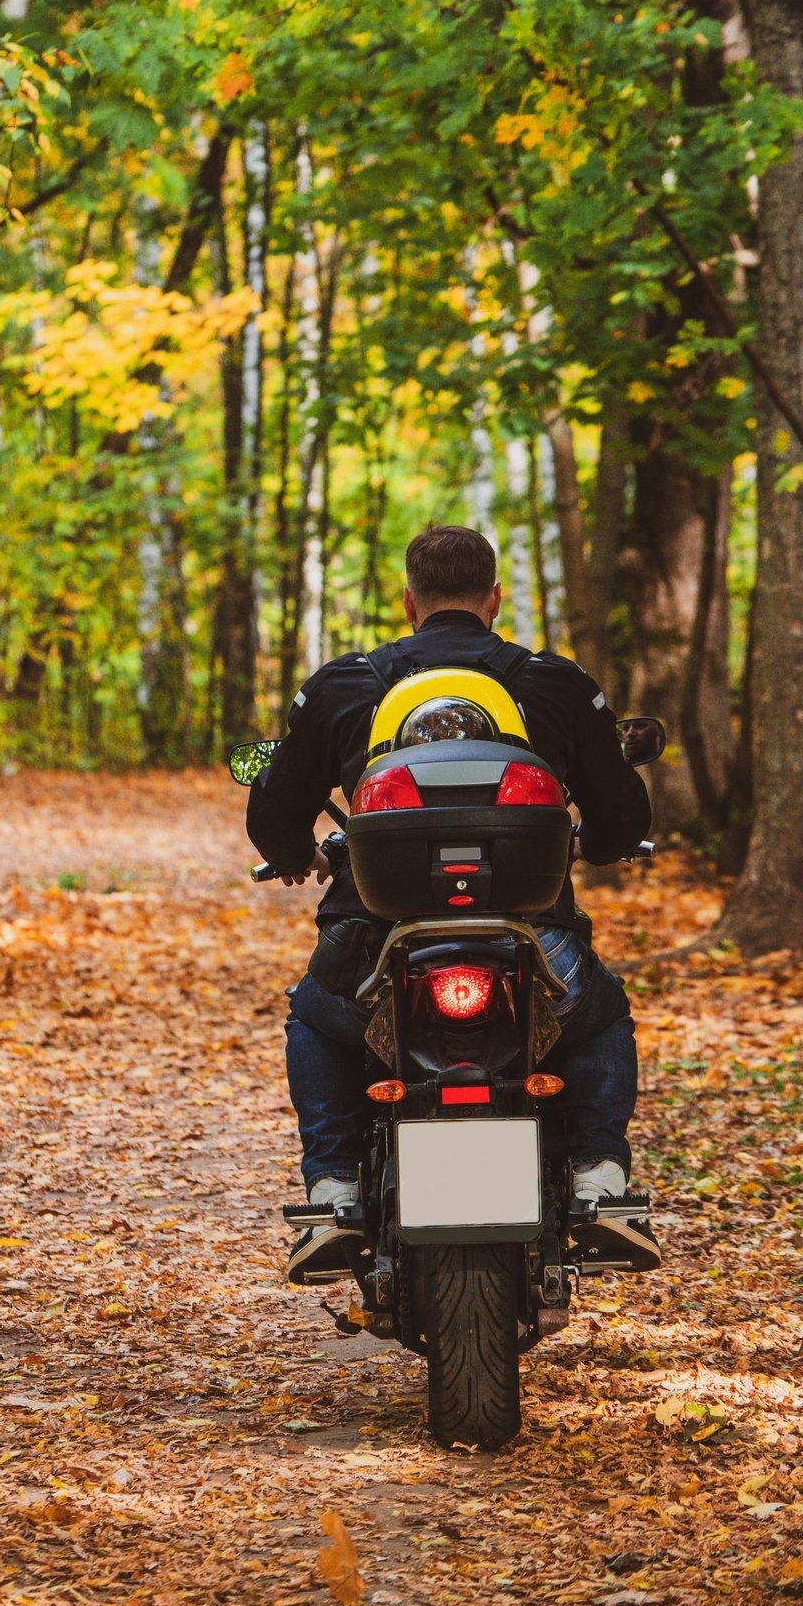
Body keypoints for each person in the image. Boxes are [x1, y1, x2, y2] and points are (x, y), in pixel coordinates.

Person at [247, 525, 657, 1279]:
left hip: (373, 940)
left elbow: (273, 816)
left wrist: (295, 854)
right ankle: (601, 1181)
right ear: (494, 600)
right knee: (598, 1014)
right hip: (531, 938)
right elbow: (623, 819)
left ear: (410, 602)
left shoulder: (346, 683)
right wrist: (597, 842)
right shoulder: (555, 683)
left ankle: (334, 1191)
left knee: (318, 1014)